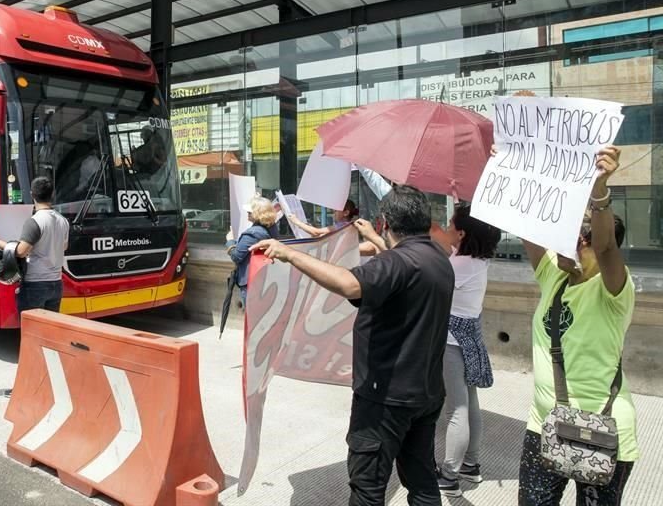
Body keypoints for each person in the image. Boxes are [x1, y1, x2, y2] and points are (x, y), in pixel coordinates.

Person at [253, 185, 454, 505]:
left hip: (385, 399)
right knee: (422, 482)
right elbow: (398, 268)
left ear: (385, 222)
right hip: (426, 393)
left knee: (368, 488)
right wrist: (375, 242)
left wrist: (291, 253)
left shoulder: (399, 263)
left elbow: (349, 283)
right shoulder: (437, 259)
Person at [516, 145, 638, 505]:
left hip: (601, 431)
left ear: (583, 242)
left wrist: (598, 190)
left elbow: (605, 249)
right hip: (544, 426)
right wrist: (522, 167)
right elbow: (528, 227)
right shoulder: (554, 276)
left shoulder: (614, 288)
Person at [435, 204, 501, 497]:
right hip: (469, 337)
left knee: (456, 410)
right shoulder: (476, 259)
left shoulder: (459, 265)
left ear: (461, 233)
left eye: (450, 225)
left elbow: (432, 286)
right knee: (470, 403)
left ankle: (449, 474)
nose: (447, 229)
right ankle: (470, 465)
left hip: (451, 341)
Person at [0, 177, 70, 398]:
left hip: (35, 285)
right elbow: (64, 246)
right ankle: (48, 384)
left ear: (32, 195)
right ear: (52, 195)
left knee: (31, 339)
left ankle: (26, 387)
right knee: (49, 337)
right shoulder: (62, 220)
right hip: (56, 283)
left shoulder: (35, 221)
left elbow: (21, 251)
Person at [225, 197, 278, 304]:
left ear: (258, 214)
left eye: (250, 211)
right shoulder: (272, 227)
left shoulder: (252, 234)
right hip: (265, 278)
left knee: (251, 316)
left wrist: (230, 241)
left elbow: (236, 256)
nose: (248, 213)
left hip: (251, 281)